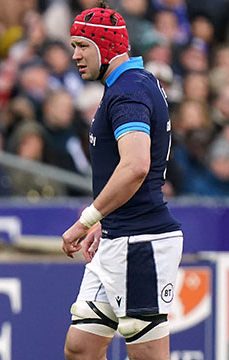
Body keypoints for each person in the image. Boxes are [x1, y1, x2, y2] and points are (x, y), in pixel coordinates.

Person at [61, 3, 183, 360]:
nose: (75, 55)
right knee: (80, 348)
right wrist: (106, 220)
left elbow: (135, 166)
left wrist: (87, 219)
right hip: (120, 233)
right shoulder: (130, 84)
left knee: (147, 355)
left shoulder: (128, 91)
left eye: (82, 46)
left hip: (140, 240)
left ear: (106, 47)